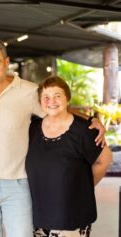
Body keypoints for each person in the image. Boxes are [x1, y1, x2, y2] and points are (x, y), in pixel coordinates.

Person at [0, 39, 105, 237]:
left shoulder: (29, 91)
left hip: (17, 182)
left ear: (6, 62)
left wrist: (90, 119)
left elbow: (56, 108)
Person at [25, 76, 112, 237]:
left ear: (67, 99)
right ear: (40, 101)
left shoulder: (85, 130)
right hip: (40, 216)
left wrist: (83, 186)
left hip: (72, 217)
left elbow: (104, 160)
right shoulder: (33, 129)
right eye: (46, 97)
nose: (51, 101)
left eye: (57, 95)